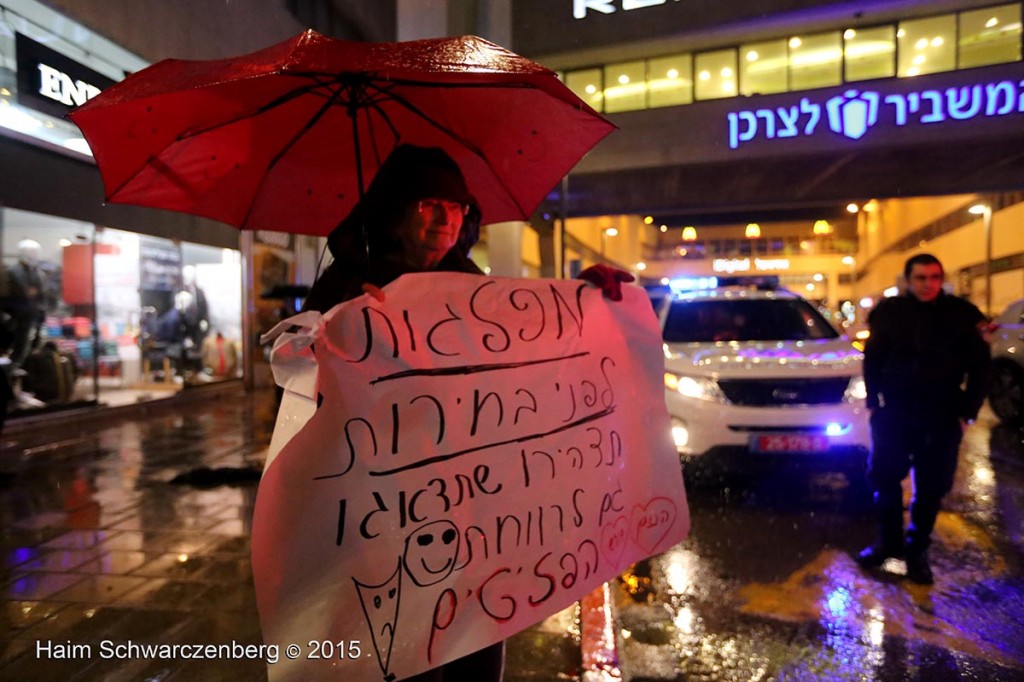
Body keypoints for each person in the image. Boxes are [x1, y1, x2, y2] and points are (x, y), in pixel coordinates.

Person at [303, 144, 631, 681]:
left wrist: (589, 298)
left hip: (470, 525)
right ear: (395, 211)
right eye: (428, 203)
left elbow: (536, 350)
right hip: (375, 530)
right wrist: (335, 328)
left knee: (471, 658)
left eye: (455, 207)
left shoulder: (475, 289)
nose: (444, 219)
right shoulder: (344, 287)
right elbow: (296, 395)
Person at [857, 253, 990, 585]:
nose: (928, 284)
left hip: (942, 413)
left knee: (931, 487)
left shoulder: (961, 315)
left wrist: (967, 413)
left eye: (934, 277)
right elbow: (872, 359)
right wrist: (874, 401)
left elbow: (980, 368)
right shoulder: (888, 314)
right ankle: (888, 544)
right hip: (895, 412)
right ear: (907, 280)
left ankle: (917, 552)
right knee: (885, 478)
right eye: (921, 278)